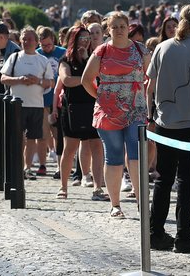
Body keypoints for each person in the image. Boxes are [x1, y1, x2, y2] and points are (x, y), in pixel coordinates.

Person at [146, 4, 190, 253]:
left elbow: (149, 87)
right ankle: (184, 237)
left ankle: (155, 233)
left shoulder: (162, 47)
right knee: (187, 183)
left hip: (166, 122)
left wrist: (151, 116)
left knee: (163, 180)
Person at [82, 11, 150, 220]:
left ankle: (141, 202)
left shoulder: (140, 49)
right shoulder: (102, 51)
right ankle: (115, 204)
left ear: (128, 27)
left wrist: (144, 94)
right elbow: (86, 80)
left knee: (137, 155)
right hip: (108, 112)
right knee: (114, 156)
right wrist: (101, 97)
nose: (119, 30)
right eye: (114, 27)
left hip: (136, 109)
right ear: (107, 30)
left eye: (122, 26)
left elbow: (152, 75)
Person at [56, 24, 106, 200]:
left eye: (87, 38)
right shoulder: (65, 60)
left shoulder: (94, 58)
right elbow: (67, 80)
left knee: (97, 148)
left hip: (93, 107)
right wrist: (86, 78)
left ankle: (98, 188)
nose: (85, 42)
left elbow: (100, 78)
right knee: (69, 149)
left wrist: (86, 62)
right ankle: (63, 187)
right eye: (81, 38)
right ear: (74, 40)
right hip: (72, 109)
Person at [0, 27, 54, 180]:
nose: (26, 42)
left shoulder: (42, 60)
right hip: (17, 104)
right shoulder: (14, 57)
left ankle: (28, 167)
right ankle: (16, 166)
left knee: (32, 138)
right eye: (24, 39)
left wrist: (38, 81)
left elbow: (51, 82)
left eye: (30, 39)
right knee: (17, 138)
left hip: (36, 105)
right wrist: (20, 80)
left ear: (36, 42)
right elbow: (3, 78)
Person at [37, 26, 66, 175]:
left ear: (53, 40)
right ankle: (42, 165)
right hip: (40, 100)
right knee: (42, 135)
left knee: (57, 134)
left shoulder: (62, 53)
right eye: (43, 45)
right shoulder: (37, 55)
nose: (46, 48)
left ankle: (60, 167)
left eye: (48, 45)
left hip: (58, 100)